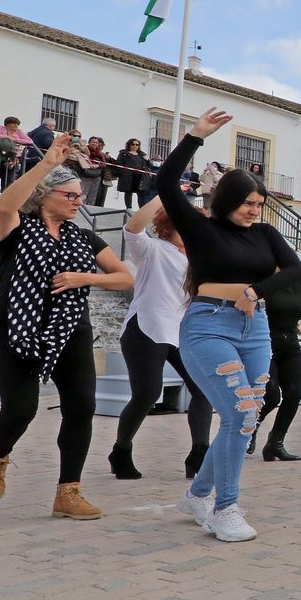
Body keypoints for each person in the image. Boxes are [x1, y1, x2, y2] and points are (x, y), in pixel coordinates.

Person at [162, 109, 301, 542]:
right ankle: (224, 509)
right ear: (227, 199)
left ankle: (197, 495)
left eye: (260, 205)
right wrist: (194, 137)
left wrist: (256, 292)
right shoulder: (200, 227)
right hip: (208, 326)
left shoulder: (264, 235)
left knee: (243, 416)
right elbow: (165, 184)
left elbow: (295, 271)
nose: (254, 211)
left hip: (254, 328)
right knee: (241, 414)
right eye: (248, 204)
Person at [0, 136, 133, 518]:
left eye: (81, 196)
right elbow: (3, 205)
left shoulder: (84, 237)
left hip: (70, 329)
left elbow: (125, 277)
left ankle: (68, 491)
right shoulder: (17, 229)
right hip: (18, 327)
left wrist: (86, 278)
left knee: (82, 407)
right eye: (71, 195)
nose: (79, 202)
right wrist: (45, 163)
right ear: (44, 196)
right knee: (21, 408)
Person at [110, 198, 214, 481]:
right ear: (168, 226)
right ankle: (121, 449)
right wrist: (163, 194)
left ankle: (199, 454)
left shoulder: (201, 259)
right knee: (147, 394)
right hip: (146, 327)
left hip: (184, 331)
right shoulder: (152, 250)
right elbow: (132, 228)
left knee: (203, 389)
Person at [249, 286, 301, 462]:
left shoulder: (294, 285)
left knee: (294, 394)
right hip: (265, 347)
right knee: (271, 397)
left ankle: (275, 443)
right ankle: (250, 427)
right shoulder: (262, 283)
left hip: (290, 348)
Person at [69, 136, 107, 208]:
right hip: (86, 174)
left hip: (96, 175)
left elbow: (104, 164)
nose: (95, 144)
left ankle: (90, 208)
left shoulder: (100, 153)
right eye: (93, 142)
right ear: (89, 142)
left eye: (96, 142)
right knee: (83, 191)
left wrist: (98, 165)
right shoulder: (84, 149)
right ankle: (80, 207)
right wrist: (90, 164)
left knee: (93, 193)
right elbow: (82, 158)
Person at [114, 138, 151, 209]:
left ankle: (142, 209)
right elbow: (119, 164)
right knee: (128, 192)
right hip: (128, 176)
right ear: (129, 145)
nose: (135, 146)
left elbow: (149, 165)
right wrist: (123, 173)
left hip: (140, 177)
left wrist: (148, 160)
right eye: (133, 144)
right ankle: (129, 208)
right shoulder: (124, 154)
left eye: (137, 144)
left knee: (141, 193)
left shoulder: (142, 155)